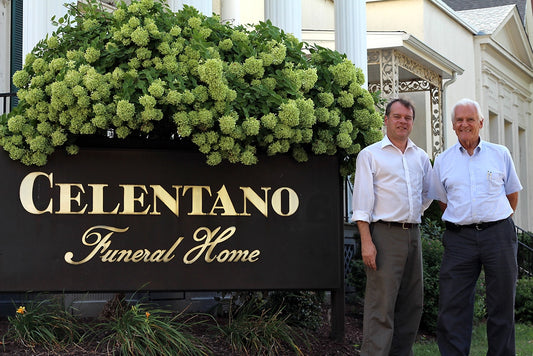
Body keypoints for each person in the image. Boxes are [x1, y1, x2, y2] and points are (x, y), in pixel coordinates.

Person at [430, 98, 522, 356]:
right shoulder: (443, 161)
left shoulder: (500, 154)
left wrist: (493, 219)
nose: (464, 124)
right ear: (453, 125)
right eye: (459, 120)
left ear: (480, 123)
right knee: (452, 305)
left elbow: (512, 195)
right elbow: (442, 201)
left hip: (499, 236)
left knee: (501, 305)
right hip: (459, 240)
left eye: (470, 119)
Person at [351, 98, 432, 356]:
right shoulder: (370, 155)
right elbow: (362, 204)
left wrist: (411, 214)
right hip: (384, 235)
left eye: (407, 118)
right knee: (381, 306)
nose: (402, 122)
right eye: (397, 117)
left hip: (414, 235)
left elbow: (428, 193)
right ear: (386, 120)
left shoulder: (420, 157)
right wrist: (367, 241)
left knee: (412, 304)